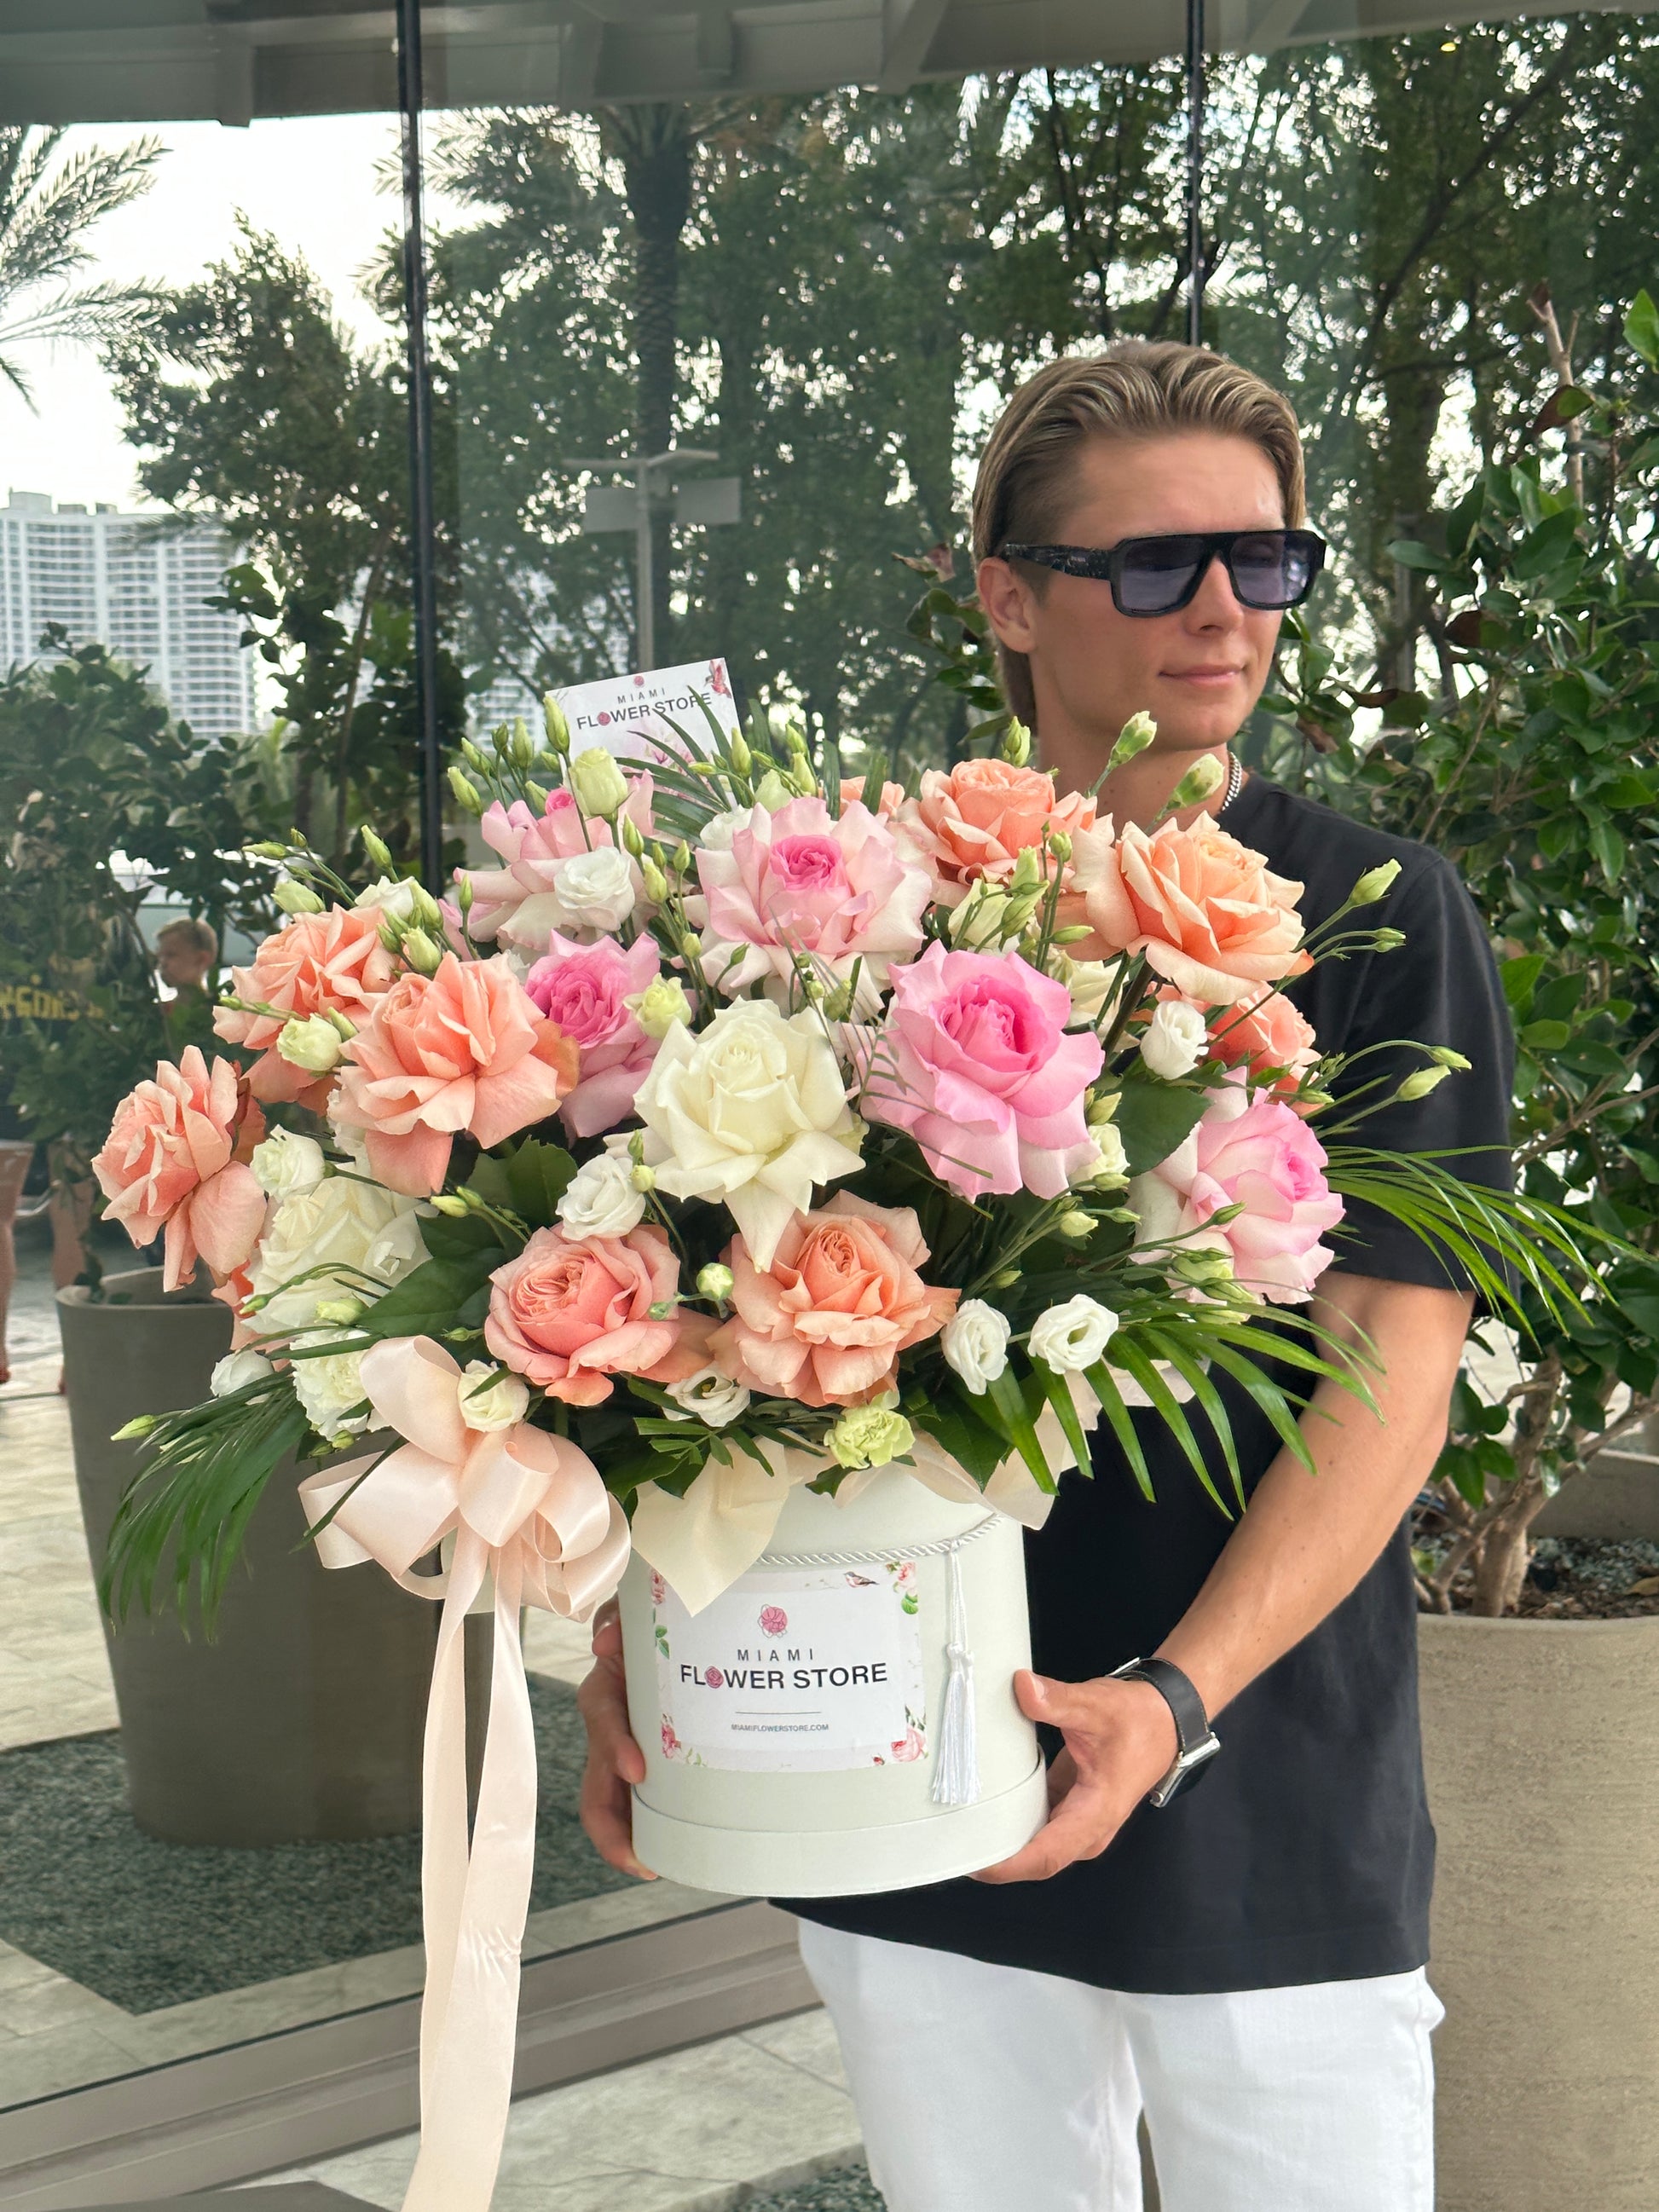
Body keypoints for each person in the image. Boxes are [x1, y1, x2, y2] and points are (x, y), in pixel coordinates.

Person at [577, 343, 1514, 2212]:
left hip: (1254, 1781)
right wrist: (644, 1642)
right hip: (906, 1756)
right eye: (1156, 565)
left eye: (1265, 560)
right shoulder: (846, 914)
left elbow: (1385, 1369)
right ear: (1011, 596)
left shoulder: (1377, 920)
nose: (1225, 609)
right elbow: (714, 1336)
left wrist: (1171, 1699)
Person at [155, 915, 221, 1057]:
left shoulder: (219, 1015)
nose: (162, 963)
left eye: (171, 955)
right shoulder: (159, 1013)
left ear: (201, 959)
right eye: (160, 956)